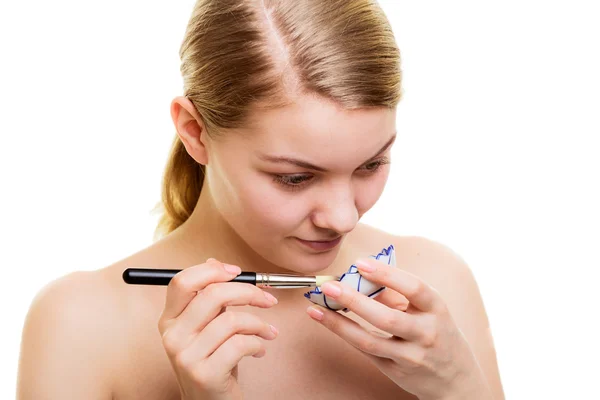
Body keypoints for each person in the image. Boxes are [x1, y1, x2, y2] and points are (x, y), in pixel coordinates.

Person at [16, 0, 504, 399]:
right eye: (295, 178)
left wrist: (459, 386)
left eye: (370, 165)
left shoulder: (436, 285)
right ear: (195, 132)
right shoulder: (79, 325)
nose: (343, 217)